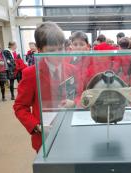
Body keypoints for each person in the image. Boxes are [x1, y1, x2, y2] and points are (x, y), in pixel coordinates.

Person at [13, 22, 81, 152]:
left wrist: (74, 102)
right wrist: (38, 127)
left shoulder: (73, 70)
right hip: (45, 137)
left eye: (60, 48)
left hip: (70, 130)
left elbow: (80, 94)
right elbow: (20, 107)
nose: (58, 54)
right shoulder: (31, 73)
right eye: (51, 50)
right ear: (39, 49)